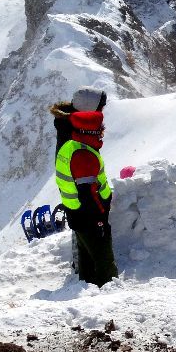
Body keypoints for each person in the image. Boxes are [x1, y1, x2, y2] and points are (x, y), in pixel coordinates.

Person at [50, 87, 118, 286]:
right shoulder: (80, 148)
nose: (102, 131)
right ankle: (110, 292)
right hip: (88, 211)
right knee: (102, 257)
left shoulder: (71, 133)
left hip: (76, 208)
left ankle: (86, 287)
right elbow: (87, 189)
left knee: (86, 255)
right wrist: (100, 212)